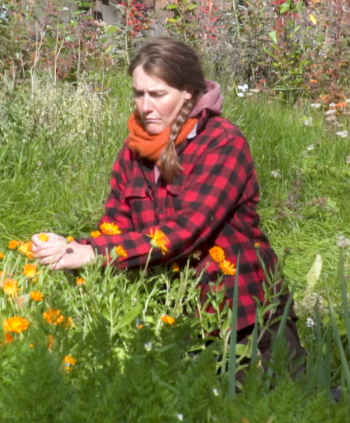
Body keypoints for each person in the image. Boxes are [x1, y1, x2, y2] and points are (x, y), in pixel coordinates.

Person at [30, 36, 305, 377]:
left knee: (293, 408)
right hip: (174, 315)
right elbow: (114, 227)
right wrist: (73, 249)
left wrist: (94, 252)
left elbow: (186, 231)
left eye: (157, 95)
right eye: (138, 93)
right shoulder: (133, 150)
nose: (145, 106)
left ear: (188, 92)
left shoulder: (223, 142)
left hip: (246, 315)